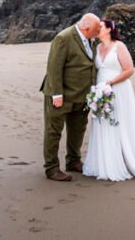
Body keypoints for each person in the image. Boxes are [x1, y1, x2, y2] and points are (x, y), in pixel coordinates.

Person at [82, 18, 135, 181]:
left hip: (119, 89)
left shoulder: (119, 46)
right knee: (102, 123)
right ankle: (103, 163)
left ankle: (121, 162)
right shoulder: (96, 47)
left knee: (118, 122)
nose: (97, 28)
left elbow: (129, 70)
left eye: (100, 26)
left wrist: (111, 82)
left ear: (108, 29)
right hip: (100, 89)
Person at [40, 13, 100, 181]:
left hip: (82, 97)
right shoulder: (64, 38)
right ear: (86, 27)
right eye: (96, 30)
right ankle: (51, 168)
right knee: (54, 131)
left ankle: (73, 161)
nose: (97, 33)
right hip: (61, 95)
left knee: (78, 130)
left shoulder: (90, 39)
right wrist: (56, 94)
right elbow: (54, 68)